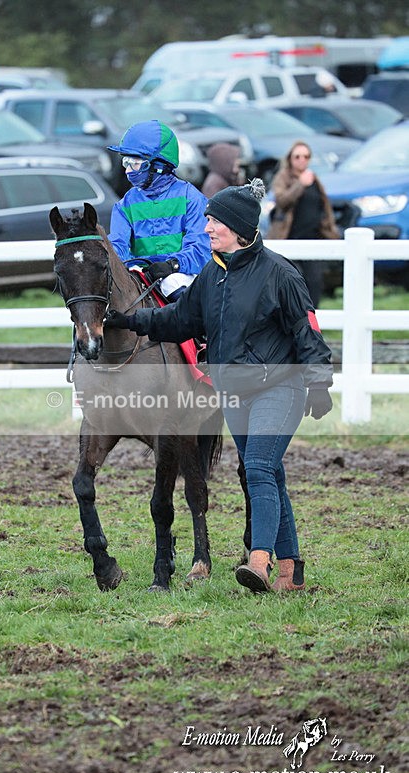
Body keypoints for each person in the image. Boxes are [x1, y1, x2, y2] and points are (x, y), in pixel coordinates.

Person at [105, 179, 334, 593]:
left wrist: (318, 384)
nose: (207, 228)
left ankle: (259, 562)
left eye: (214, 222)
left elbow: (308, 332)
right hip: (235, 392)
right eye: (207, 221)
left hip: (279, 388)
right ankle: (291, 571)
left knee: (260, 469)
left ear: (239, 229)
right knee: (269, 476)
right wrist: (127, 320)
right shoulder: (212, 275)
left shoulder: (281, 274)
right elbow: (176, 321)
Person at [108, 119, 211, 301]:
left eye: (134, 163)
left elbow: (200, 248)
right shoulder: (124, 206)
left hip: (184, 274)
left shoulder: (192, 199)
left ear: (159, 165)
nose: (127, 171)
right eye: (126, 163)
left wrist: (173, 265)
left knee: (172, 283)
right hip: (141, 275)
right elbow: (118, 246)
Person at [267, 140, 340, 308]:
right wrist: (300, 184)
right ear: (290, 158)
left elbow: (324, 205)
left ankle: (312, 321)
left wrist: (329, 228)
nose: (302, 160)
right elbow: (281, 201)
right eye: (297, 156)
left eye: (306, 156)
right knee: (288, 280)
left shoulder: (313, 178)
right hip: (288, 237)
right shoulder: (283, 177)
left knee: (314, 281)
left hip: (313, 237)